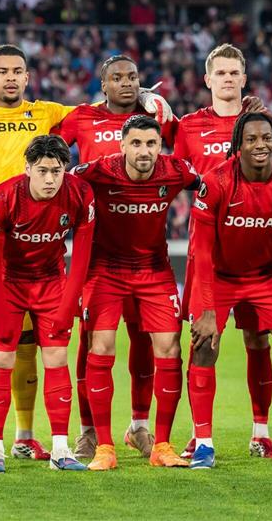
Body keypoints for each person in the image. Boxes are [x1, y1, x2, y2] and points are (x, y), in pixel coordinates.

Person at [0, 44, 175, 463]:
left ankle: (26, 435)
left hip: (49, 244)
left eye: (18, 70)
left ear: (29, 76)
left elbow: (106, 104)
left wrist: (144, 97)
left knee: (34, 344)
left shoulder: (51, 113)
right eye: (2, 71)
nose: (11, 77)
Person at [186, 111, 272, 469]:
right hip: (219, 276)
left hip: (266, 276)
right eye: (251, 139)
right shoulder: (215, 182)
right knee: (203, 347)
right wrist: (207, 310)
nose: (260, 145)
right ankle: (202, 444)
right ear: (238, 146)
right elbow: (200, 247)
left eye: (267, 138)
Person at [74, 115, 200, 470]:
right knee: (100, 347)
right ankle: (104, 447)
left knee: (170, 348)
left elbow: (210, 184)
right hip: (106, 270)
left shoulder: (174, 171)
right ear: (122, 145)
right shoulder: (98, 171)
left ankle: (161, 444)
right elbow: (60, 184)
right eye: (136, 144)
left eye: (150, 144)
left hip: (154, 272)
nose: (143, 151)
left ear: (160, 146)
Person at [175, 43, 272, 460]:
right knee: (205, 341)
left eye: (234, 72)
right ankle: (200, 436)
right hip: (208, 255)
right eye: (220, 73)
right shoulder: (188, 127)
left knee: (260, 341)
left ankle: (261, 433)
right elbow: (180, 175)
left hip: (257, 253)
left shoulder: (264, 124)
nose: (228, 79)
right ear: (208, 79)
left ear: (244, 78)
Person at [55, 54, 156, 459]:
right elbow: (52, 154)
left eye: (132, 76)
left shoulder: (156, 119)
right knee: (91, 343)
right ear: (104, 84)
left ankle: (139, 425)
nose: (126, 83)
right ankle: (89, 431)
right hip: (95, 250)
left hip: (146, 249)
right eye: (117, 78)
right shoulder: (80, 118)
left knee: (145, 337)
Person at [0, 135, 95, 473]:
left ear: (65, 170)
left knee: (57, 357)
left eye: (56, 171)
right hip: (7, 283)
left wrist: (67, 304)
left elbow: (83, 255)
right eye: (42, 171)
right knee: (2, 358)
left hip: (51, 282)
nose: (49, 179)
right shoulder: (3, 198)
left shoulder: (79, 194)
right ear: (28, 169)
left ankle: (60, 449)